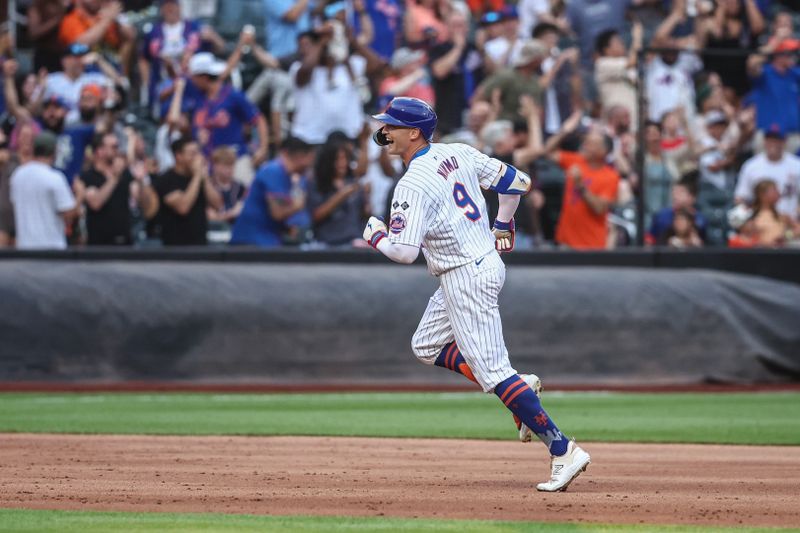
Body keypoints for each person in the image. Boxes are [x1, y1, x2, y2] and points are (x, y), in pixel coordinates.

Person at [363, 96, 590, 492]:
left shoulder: (412, 183)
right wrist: (504, 223)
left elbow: (403, 252)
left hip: (465, 275)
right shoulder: (458, 152)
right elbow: (517, 182)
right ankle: (518, 387)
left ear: (413, 132)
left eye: (392, 125)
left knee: (495, 373)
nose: (385, 131)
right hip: (481, 263)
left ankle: (563, 450)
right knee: (427, 345)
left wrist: (376, 236)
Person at [540, 111, 621, 249]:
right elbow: (546, 151)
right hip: (565, 242)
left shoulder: (611, 176)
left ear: (604, 151)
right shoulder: (575, 160)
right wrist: (564, 131)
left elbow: (600, 208)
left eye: (591, 144)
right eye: (586, 142)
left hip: (592, 244)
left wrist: (580, 185)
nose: (585, 145)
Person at [230, 137, 315, 247]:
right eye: (310, 159)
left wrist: (286, 228)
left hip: (265, 240)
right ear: (300, 156)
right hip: (251, 243)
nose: (310, 166)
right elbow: (277, 213)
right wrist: (298, 205)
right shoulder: (274, 171)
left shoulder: (285, 175)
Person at [77, 132, 158, 245]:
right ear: (100, 151)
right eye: (114, 147)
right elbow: (95, 203)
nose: (117, 150)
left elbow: (147, 207)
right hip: (98, 246)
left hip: (124, 243)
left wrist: (141, 182)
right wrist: (115, 177)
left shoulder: (125, 175)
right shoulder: (88, 176)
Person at [9, 131, 79, 249]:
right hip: (51, 249)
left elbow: (14, 203)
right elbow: (68, 214)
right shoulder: (55, 177)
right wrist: (80, 195)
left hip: (24, 248)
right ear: (54, 151)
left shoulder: (17, 175)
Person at [152, 137, 223, 246]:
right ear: (179, 156)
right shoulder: (165, 180)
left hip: (201, 245)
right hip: (174, 248)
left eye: (198, 152)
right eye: (192, 153)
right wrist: (197, 177)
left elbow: (218, 205)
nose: (198, 158)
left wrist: (206, 179)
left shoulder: (201, 178)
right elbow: (183, 208)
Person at [735, 125, 800, 221]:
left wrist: (795, 219)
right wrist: (748, 222)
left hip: (791, 223)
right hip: (760, 225)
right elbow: (740, 198)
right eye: (770, 140)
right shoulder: (751, 166)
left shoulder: (796, 165)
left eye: (777, 140)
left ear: (784, 141)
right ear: (764, 141)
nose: (773, 143)